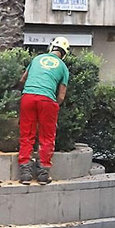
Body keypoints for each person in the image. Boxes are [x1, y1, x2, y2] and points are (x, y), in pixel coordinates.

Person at [17, 37, 70, 185]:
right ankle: (42, 173)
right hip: (47, 100)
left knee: (27, 133)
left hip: (28, 97)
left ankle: (25, 173)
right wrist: (54, 106)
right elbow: (61, 95)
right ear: (65, 53)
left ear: (51, 47)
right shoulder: (63, 68)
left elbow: (23, 79)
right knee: (47, 136)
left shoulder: (37, 59)